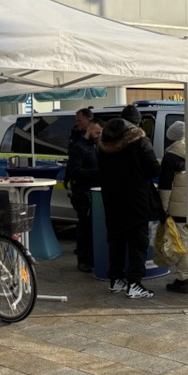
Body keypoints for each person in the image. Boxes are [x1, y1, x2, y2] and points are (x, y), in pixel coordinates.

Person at [97, 117, 162, 299]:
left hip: (111, 199)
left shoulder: (103, 144)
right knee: (138, 243)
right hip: (136, 200)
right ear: (136, 122)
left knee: (116, 241)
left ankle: (116, 280)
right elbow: (153, 169)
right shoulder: (139, 140)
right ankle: (134, 284)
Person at [158, 122, 188, 293]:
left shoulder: (171, 157)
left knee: (182, 244)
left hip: (178, 209)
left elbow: (166, 187)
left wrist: (163, 208)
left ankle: (183, 279)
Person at [66, 110, 101, 272]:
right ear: (90, 129)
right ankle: (83, 260)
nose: (99, 135)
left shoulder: (96, 146)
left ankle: (92, 258)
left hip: (94, 192)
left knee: (93, 227)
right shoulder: (79, 148)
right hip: (83, 192)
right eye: (97, 132)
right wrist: (97, 173)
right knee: (84, 227)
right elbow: (75, 171)